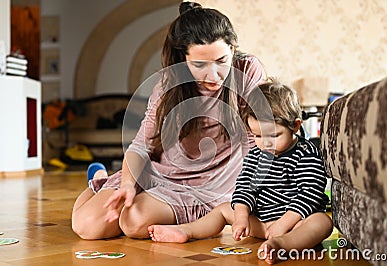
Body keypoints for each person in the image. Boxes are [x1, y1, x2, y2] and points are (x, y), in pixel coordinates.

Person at [71, 1, 265, 240]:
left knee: (133, 223)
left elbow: (257, 142)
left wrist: (255, 195)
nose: (213, 75)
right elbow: (141, 145)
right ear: (182, 59)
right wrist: (128, 185)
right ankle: (100, 179)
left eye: (221, 61)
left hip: (213, 182)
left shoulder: (247, 70)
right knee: (88, 227)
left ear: (233, 49)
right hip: (162, 172)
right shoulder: (168, 84)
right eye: (199, 65)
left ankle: (192, 212)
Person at [148, 80, 333, 264]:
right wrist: (242, 217)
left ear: (295, 126)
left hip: (294, 224)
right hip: (261, 223)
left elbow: (310, 194)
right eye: (258, 136)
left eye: (274, 135)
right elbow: (245, 187)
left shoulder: (306, 153)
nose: (266, 143)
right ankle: (186, 230)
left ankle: (281, 245)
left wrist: (283, 224)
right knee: (222, 210)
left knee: (322, 222)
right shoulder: (256, 154)